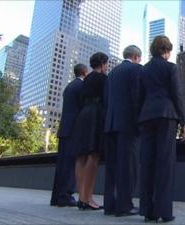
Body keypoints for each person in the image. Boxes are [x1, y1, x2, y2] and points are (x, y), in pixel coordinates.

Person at [138, 35, 185, 223]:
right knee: (165, 164)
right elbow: (177, 95)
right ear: (165, 50)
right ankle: (165, 212)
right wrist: (184, 122)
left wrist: (140, 118)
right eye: (169, 51)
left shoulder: (143, 71)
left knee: (148, 163)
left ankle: (148, 211)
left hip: (146, 117)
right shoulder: (170, 67)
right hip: (166, 116)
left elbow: (139, 97)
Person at [104, 45, 142, 216]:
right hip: (128, 124)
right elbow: (136, 96)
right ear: (136, 56)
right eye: (140, 58)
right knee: (129, 166)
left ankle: (110, 205)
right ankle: (125, 205)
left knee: (112, 166)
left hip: (111, 124)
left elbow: (107, 99)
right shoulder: (135, 69)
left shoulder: (112, 73)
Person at [71, 52, 108, 210]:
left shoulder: (86, 80)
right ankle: (88, 198)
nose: (107, 66)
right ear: (102, 63)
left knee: (81, 156)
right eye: (106, 63)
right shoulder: (103, 79)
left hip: (83, 115)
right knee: (93, 155)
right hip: (96, 116)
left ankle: (81, 197)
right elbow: (107, 99)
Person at [50, 64, 87, 207]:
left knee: (62, 164)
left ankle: (57, 197)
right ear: (84, 72)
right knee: (70, 164)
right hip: (73, 129)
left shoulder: (69, 87)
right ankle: (65, 195)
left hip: (65, 128)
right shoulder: (80, 87)